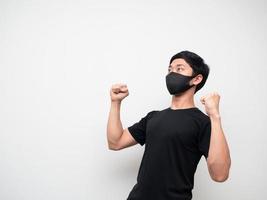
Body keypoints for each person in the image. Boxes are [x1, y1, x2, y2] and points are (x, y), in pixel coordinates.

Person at [106, 50, 231, 200]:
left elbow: (220, 174)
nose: (172, 74)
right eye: (170, 69)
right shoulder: (153, 117)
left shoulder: (203, 123)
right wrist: (115, 102)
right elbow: (115, 142)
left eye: (179, 69)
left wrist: (215, 116)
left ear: (196, 79)